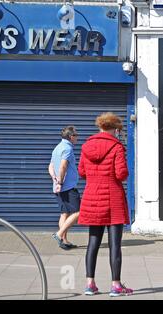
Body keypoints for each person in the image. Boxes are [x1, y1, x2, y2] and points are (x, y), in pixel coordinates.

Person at [78, 112, 133, 297]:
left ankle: (89, 284)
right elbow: (121, 174)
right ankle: (116, 285)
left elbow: (82, 172)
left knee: (92, 242)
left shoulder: (86, 146)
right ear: (115, 129)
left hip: (92, 197)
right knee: (115, 244)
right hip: (113, 198)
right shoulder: (116, 147)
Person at [49, 126, 80, 250]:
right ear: (71, 136)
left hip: (58, 187)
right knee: (78, 212)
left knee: (64, 214)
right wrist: (61, 183)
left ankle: (64, 241)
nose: (77, 138)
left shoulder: (57, 148)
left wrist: (55, 180)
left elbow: (50, 166)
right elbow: (63, 167)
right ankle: (59, 234)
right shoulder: (67, 148)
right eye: (76, 135)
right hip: (67, 187)